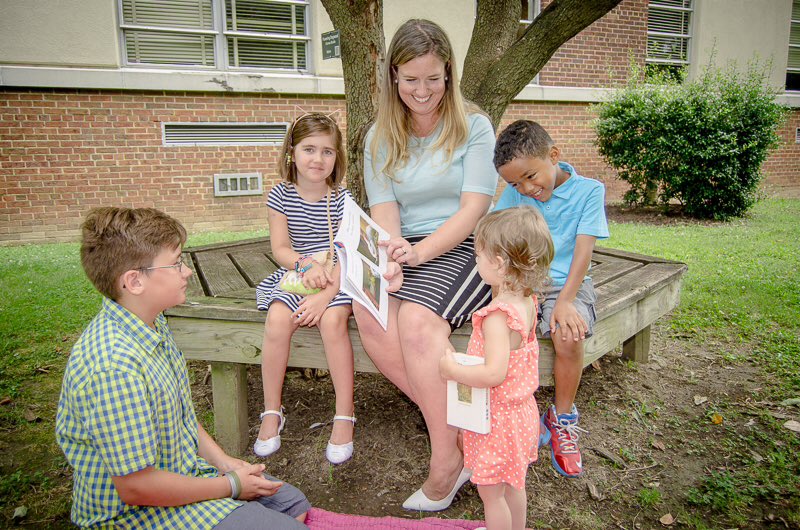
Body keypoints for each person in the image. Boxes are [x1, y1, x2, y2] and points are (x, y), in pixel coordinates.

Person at [55, 207, 310, 529]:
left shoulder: (151, 322)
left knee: (292, 503)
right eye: (176, 263)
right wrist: (231, 486)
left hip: (183, 474)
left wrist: (226, 464)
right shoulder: (113, 368)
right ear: (134, 281)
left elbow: (181, 416)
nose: (187, 272)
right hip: (135, 514)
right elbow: (136, 488)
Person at [356, 18, 498, 511]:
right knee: (369, 310)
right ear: (393, 75)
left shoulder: (474, 127)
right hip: (408, 247)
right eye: (411, 79)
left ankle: (446, 461)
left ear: (449, 73)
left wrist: (419, 253)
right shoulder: (379, 136)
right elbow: (385, 210)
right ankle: (460, 435)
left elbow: (473, 209)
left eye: (433, 78)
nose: (422, 90)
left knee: (416, 322)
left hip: (467, 245)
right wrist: (394, 253)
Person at [493, 120, 610, 478]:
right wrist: (509, 294)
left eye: (530, 176)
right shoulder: (515, 194)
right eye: (516, 184)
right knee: (503, 331)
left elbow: (583, 251)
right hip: (523, 281)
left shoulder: (589, 191)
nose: (526, 189)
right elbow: (496, 238)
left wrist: (565, 301)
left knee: (568, 336)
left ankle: (561, 417)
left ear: (554, 155)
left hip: (567, 284)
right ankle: (512, 415)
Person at [439, 206, 554, 530]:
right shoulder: (527, 302)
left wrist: (452, 370)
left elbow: (493, 374)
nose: (475, 261)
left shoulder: (497, 317)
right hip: (521, 413)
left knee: (491, 494)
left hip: (497, 420)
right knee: (514, 484)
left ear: (500, 264)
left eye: (479, 255)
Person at [254, 112, 357, 465]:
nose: (318, 159)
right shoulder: (280, 195)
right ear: (292, 152)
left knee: (332, 321)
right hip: (299, 273)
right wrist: (305, 266)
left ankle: (344, 413)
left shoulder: (342, 199)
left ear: (337, 157)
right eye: (309, 149)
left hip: (337, 276)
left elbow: (347, 253)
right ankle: (272, 410)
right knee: (277, 319)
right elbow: (281, 248)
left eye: (327, 151)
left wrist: (326, 296)